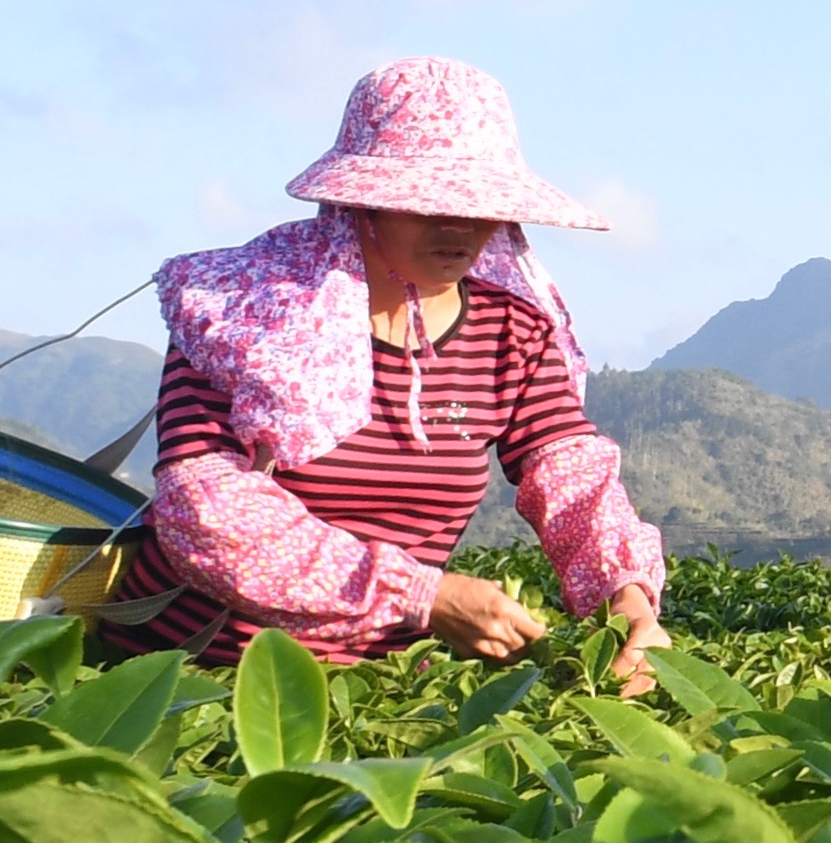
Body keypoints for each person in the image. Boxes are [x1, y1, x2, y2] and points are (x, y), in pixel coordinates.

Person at [113, 56, 670, 687]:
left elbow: (571, 479)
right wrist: (420, 594)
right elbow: (203, 508)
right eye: (426, 204)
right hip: (189, 673)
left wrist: (626, 597)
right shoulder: (246, 315)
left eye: (482, 206)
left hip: (386, 685)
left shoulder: (511, 333)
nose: (459, 226)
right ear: (361, 203)